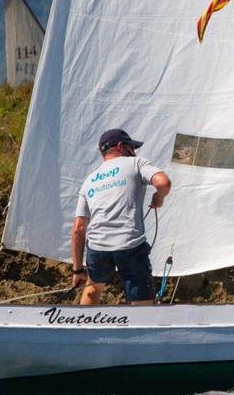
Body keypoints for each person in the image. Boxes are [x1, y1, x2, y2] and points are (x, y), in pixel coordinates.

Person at [71, 128, 171, 305]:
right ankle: (141, 329)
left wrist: (77, 270)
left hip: (98, 247)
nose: (134, 152)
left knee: (93, 287)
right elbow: (163, 182)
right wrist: (159, 197)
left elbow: (79, 228)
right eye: (132, 148)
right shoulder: (135, 163)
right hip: (129, 245)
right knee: (142, 303)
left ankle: (81, 327)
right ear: (120, 146)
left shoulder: (90, 180)